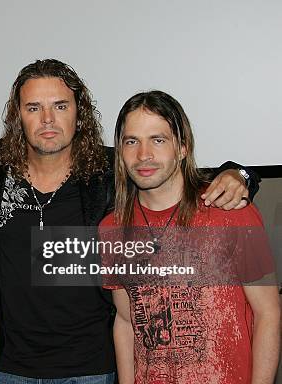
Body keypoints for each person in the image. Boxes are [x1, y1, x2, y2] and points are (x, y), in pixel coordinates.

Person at [0, 59, 258, 383]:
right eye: (33, 108)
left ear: (79, 114)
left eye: (60, 106)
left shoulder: (113, 172)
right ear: (17, 117)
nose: (46, 120)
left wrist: (241, 175)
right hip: (11, 369)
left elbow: (183, 177)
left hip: (94, 368)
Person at [100, 90, 279, 383]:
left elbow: (268, 314)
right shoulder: (112, 229)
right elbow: (126, 321)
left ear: (182, 148)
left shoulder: (230, 212)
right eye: (132, 141)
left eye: (158, 140)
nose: (143, 155)